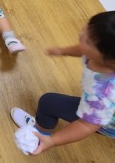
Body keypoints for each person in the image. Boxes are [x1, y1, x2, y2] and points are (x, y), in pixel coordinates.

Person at [10, 11, 115, 154]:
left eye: (88, 41)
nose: (82, 33)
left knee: (48, 102)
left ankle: (39, 135)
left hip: (106, 121)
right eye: (87, 27)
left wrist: (53, 141)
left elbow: (87, 125)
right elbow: (83, 50)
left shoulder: (102, 95)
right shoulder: (103, 53)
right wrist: (63, 51)